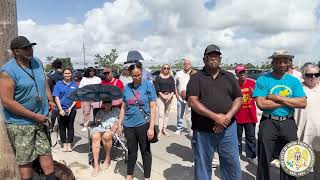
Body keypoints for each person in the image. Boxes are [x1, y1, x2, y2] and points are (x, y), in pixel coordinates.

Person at [0, 36, 56, 180]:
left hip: (40, 120)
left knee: (46, 154)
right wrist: (34, 116)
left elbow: (43, 82)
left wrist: (50, 99)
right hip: (20, 124)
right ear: (16, 51)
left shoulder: (36, 62)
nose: (30, 50)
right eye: (26, 48)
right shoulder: (7, 71)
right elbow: (7, 102)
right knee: (26, 161)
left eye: (31, 46)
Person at [187, 44, 243, 180]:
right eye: (210, 56)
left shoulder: (229, 77)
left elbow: (239, 98)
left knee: (231, 163)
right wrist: (215, 117)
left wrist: (226, 118)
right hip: (203, 130)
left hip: (228, 129)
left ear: (220, 58)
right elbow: (193, 101)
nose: (214, 58)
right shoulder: (196, 78)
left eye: (216, 56)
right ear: (204, 59)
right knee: (203, 164)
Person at [252, 50, 307, 180]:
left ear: (289, 63)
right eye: (278, 61)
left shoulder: (294, 81)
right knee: (264, 157)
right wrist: (289, 101)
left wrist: (277, 98)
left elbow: (303, 102)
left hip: (288, 122)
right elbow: (261, 104)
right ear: (273, 63)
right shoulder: (263, 79)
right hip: (268, 122)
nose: (281, 64)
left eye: (284, 61)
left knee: (290, 158)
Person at [117, 62, 157, 180]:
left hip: (143, 124)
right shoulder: (126, 88)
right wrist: (119, 123)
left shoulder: (148, 85)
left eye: (139, 74)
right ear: (130, 75)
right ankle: (130, 174)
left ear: (142, 72)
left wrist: (151, 127)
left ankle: (147, 177)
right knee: (132, 152)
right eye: (134, 75)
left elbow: (153, 107)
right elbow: (123, 107)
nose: (137, 77)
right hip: (129, 125)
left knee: (145, 151)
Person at [295, 62, 320, 180]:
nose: (313, 77)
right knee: (300, 170)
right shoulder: (296, 89)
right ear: (303, 76)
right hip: (301, 136)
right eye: (310, 75)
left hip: (318, 137)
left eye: (317, 74)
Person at [234, 64, 258, 164]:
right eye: (240, 73)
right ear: (236, 74)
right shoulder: (234, 84)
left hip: (250, 115)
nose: (242, 75)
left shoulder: (253, 83)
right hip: (237, 116)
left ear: (246, 73)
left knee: (251, 137)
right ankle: (237, 155)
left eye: (243, 72)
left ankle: (251, 156)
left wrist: (254, 94)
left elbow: (259, 97)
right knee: (237, 137)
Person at [90, 101, 120, 177]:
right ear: (103, 104)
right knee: (95, 136)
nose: (107, 104)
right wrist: (97, 120)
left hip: (111, 130)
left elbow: (119, 120)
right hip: (100, 129)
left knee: (106, 136)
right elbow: (96, 124)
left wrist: (115, 127)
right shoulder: (99, 111)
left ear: (111, 103)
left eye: (109, 102)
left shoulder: (116, 110)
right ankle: (96, 165)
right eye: (105, 103)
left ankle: (107, 158)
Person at [52, 68, 78, 152]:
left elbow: (76, 98)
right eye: (65, 73)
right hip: (61, 109)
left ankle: (69, 144)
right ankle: (64, 144)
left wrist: (70, 108)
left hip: (72, 109)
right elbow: (56, 97)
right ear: (63, 74)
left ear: (71, 74)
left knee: (70, 126)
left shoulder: (75, 84)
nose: (67, 75)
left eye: (69, 73)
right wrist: (60, 109)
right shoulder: (58, 84)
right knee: (62, 127)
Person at [154, 64, 175, 138]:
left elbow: (173, 89)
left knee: (166, 114)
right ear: (162, 69)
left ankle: (164, 129)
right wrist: (163, 96)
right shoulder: (158, 77)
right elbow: (157, 88)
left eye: (168, 68)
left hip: (169, 97)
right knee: (161, 114)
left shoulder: (171, 78)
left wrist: (170, 96)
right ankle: (160, 130)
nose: (166, 69)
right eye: (165, 68)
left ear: (169, 69)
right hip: (160, 97)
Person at [79, 67, 101, 131]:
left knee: (97, 111)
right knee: (86, 112)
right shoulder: (84, 79)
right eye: (90, 71)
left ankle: (97, 124)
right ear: (87, 72)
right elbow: (80, 88)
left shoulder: (98, 79)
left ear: (94, 72)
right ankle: (86, 125)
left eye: (93, 71)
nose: (91, 72)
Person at [174, 58, 192, 135]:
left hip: (190, 98)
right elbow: (175, 84)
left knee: (189, 115)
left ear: (190, 65)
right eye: (185, 64)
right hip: (180, 98)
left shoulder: (193, 73)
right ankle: (179, 128)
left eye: (188, 64)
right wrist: (177, 94)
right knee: (179, 114)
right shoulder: (178, 73)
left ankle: (190, 130)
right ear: (183, 65)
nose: (186, 65)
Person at [47, 59, 63, 132]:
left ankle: (51, 127)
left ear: (54, 66)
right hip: (64, 97)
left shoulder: (52, 76)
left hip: (55, 97)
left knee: (54, 113)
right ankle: (60, 126)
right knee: (62, 112)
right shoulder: (66, 74)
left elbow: (49, 87)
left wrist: (49, 100)